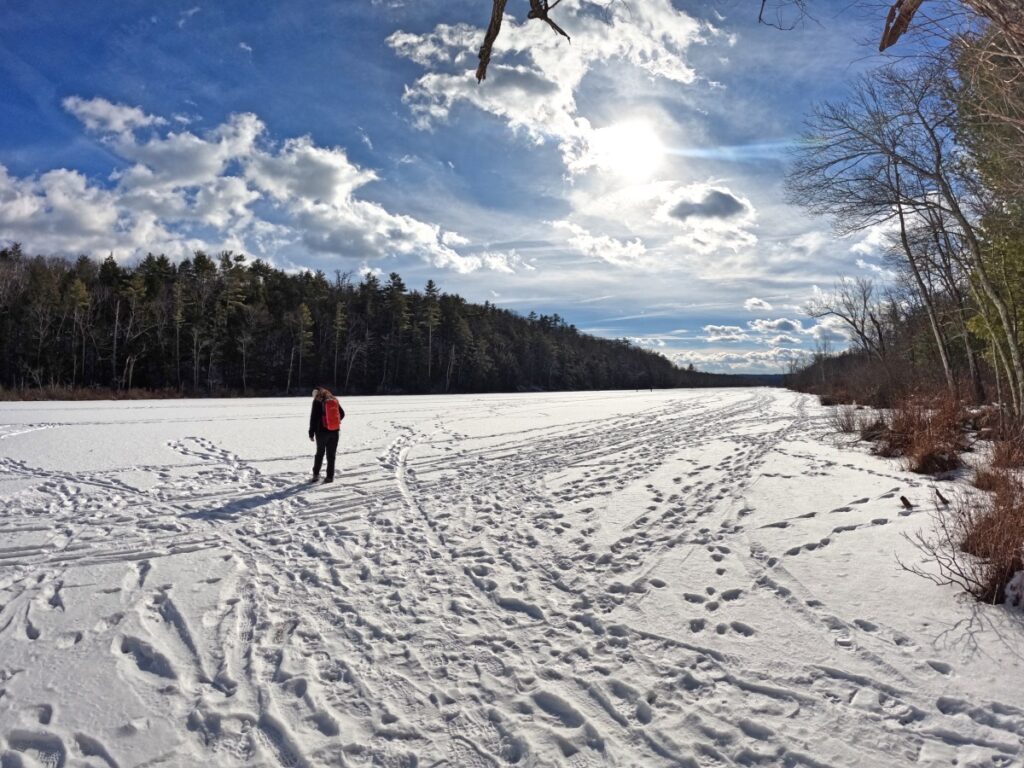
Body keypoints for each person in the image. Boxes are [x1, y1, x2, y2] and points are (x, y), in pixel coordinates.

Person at [309, 386, 343, 484]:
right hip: (334, 431)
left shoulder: (317, 401)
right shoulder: (333, 399)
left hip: (321, 432)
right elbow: (342, 414)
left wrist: (311, 432)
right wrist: (333, 422)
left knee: (319, 453)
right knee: (331, 455)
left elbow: (313, 418)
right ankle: (329, 477)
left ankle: (316, 475)